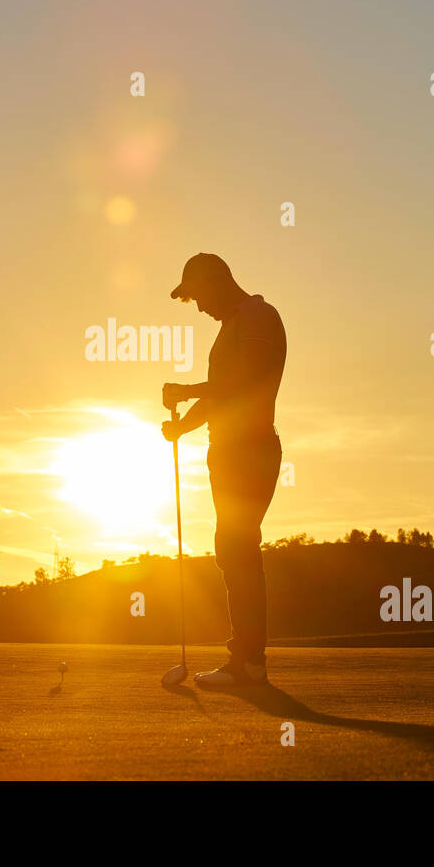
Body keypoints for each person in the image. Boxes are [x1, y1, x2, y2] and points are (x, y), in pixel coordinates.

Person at [162, 253, 286, 687]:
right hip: (228, 451)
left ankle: (248, 664)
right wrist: (182, 427)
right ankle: (246, 660)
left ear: (217, 282)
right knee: (232, 549)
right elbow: (220, 396)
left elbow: (246, 380)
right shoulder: (232, 326)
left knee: (238, 547)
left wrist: (186, 388)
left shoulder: (257, 315)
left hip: (250, 449)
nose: (198, 307)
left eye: (198, 295)